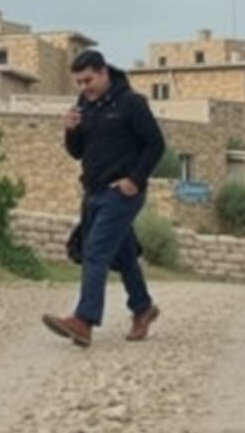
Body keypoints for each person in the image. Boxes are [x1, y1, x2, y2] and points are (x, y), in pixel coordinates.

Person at [42, 49, 165, 347]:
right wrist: (70, 131)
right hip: (94, 192)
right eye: (79, 83)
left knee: (95, 251)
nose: (84, 87)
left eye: (88, 80)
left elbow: (155, 144)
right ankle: (143, 307)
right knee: (122, 254)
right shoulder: (85, 106)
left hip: (122, 193)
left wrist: (135, 180)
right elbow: (78, 152)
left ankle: (83, 321)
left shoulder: (131, 104)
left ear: (104, 73)